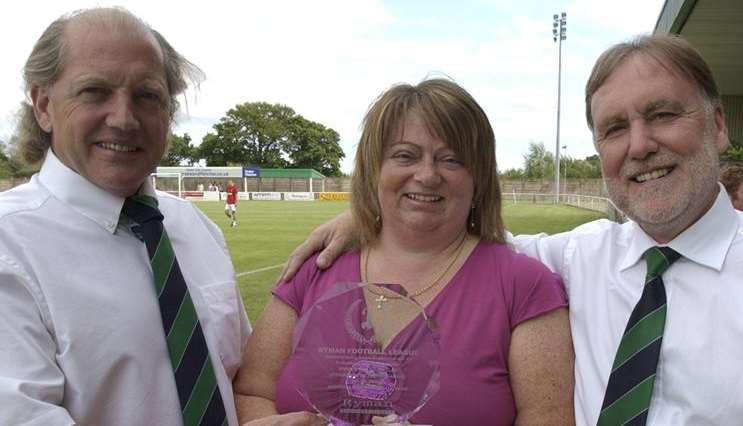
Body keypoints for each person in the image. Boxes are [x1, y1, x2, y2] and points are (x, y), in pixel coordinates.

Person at [281, 35, 743, 425]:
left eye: (662, 115)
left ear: (718, 125)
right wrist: (369, 215)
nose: (640, 145)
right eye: (615, 128)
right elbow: (445, 242)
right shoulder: (578, 256)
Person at [233, 78, 574, 425]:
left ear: (479, 179)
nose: (427, 175)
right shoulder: (316, 269)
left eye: (451, 159)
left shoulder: (525, 286)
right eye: (405, 155)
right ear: (374, 169)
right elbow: (251, 392)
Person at [0, 7, 251, 425]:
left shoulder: (195, 228)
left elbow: (241, 378)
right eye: (94, 91)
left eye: (147, 95)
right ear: (44, 105)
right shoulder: (8, 247)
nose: (124, 118)